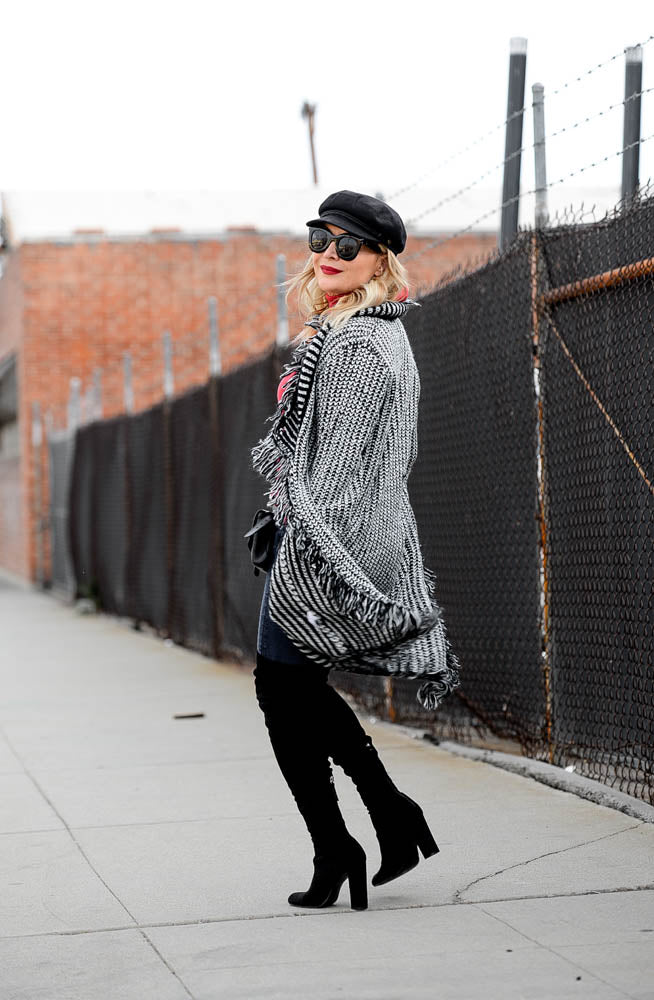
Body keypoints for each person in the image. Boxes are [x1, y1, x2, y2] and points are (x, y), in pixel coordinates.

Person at [251, 190, 460, 912]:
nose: (329, 255)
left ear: (379, 259)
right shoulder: (345, 332)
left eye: (348, 245)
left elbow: (336, 472)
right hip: (320, 532)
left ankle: (349, 841)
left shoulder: (362, 343)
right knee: (290, 690)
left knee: (281, 691)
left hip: (326, 542)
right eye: (320, 239)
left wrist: (305, 550)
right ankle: (378, 826)